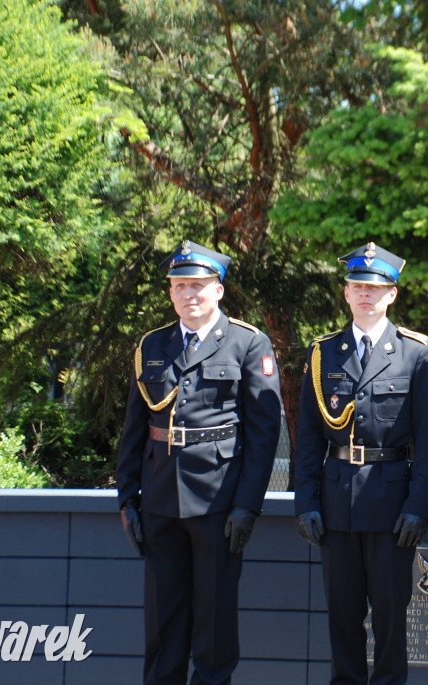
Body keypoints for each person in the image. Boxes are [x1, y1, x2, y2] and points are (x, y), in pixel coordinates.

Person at [115, 240, 283, 685]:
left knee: (213, 626)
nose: (188, 294)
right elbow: (134, 427)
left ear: (218, 290)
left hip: (218, 502)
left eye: (198, 285)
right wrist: (127, 498)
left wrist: (247, 505)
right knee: (162, 624)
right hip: (159, 499)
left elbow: (264, 434)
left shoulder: (248, 343)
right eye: (179, 285)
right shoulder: (152, 345)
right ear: (170, 292)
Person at [294, 242, 428, 685]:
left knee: (391, 623)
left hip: (393, 506)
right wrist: (306, 501)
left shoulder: (416, 352)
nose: (365, 294)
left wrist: (418, 506)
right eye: (357, 286)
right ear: (345, 292)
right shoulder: (323, 353)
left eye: (374, 288)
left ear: (391, 294)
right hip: (336, 502)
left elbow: (427, 441)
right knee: (342, 621)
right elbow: (308, 437)